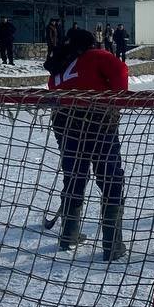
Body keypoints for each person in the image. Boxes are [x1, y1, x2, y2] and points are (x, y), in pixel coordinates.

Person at [45, 29, 130, 260]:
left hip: (65, 123)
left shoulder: (60, 61)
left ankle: (68, 235)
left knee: (74, 175)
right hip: (98, 121)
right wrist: (117, 99)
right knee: (110, 177)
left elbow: (54, 88)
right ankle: (112, 245)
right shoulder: (97, 56)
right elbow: (120, 71)